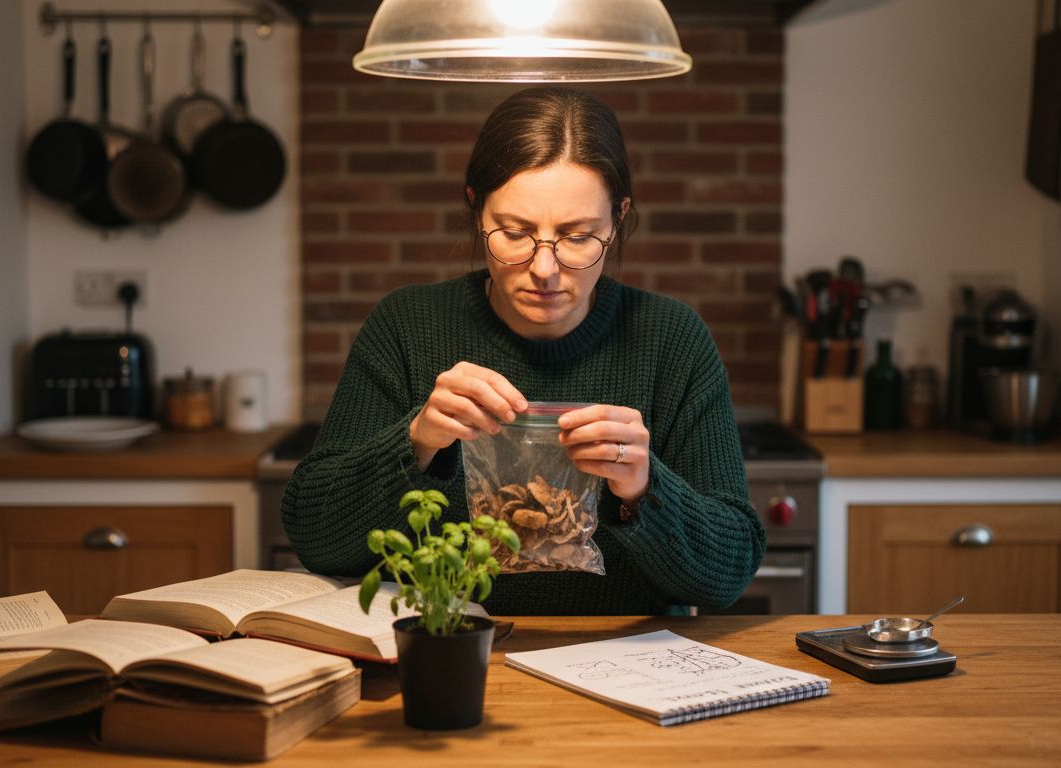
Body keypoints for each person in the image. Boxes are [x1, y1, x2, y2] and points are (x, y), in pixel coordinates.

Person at [283, 86, 764, 615]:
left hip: (627, 661)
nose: (544, 268)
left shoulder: (671, 338)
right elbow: (314, 535)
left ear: (619, 218)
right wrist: (416, 440)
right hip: (450, 651)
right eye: (514, 232)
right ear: (476, 210)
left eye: (579, 236)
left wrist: (643, 489)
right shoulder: (407, 325)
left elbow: (730, 571)